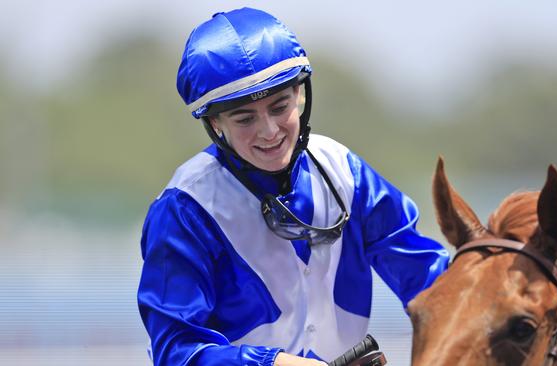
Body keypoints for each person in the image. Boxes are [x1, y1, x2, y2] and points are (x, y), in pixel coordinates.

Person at [137, 7, 449, 366]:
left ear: (300, 94)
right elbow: (176, 351)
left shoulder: (345, 171)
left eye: (279, 106)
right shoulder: (183, 210)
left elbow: (432, 282)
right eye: (244, 118)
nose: (269, 131)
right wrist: (276, 363)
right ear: (214, 122)